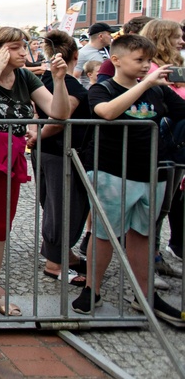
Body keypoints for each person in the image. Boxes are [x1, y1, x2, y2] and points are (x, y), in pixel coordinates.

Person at [71, 34, 185, 327]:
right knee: (104, 233)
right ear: (117, 60)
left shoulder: (159, 92)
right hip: (112, 172)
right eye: (139, 60)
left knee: (144, 236)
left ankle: (145, 296)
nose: (146, 66)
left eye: (148, 60)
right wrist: (146, 84)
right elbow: (106, 112)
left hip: (151, 173)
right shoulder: (103, 88)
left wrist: (170, 85)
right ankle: (91, 289)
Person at [0, 26, 69, 316]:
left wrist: (59, 81)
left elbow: (59, 112)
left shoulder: (26, 76)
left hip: (11, 157)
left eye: (25, 46)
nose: (25, 52)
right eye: (18, 47)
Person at [34, 31, 92, 288]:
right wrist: (38, 137)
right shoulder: (70, 84)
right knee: (65, 208)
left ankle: (62, 254)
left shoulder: (42, 78)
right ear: (76, 56)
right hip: (60, 153)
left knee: (55, 206)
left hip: (49, 151)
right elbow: (59, 118)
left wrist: (36, 137)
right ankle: (55, 263)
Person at [137, 19, 185, 287]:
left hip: (175, 146)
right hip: (160, 144)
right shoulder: (152, 69)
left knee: (164, 206)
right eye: (177, 36)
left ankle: (154, 257)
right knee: (153, 208)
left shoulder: (174, 67)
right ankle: (145, 265)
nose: (182, 40)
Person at [74, 22, 116, 88]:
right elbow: (75, 76)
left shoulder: (108, 50)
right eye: (109, 34)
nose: (111, 37)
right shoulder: (82, 53)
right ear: (101, 36)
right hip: (93, 93)